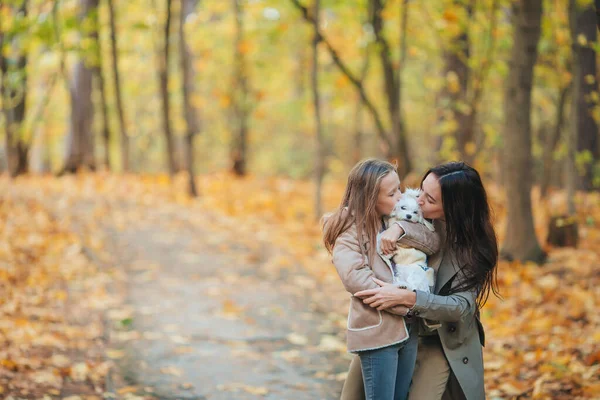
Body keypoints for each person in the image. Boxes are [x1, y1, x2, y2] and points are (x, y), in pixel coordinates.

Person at [341, 161, 500, 400]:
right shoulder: (408, 211)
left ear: (455, 208)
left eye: (431, 199)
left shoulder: (473, 247)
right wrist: (400, 229)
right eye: (422, 190)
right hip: (392, 327)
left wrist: (411, 299)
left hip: (440, 338)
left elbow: (461, 306)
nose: (418, 199)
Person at [323, 159, 440, 400]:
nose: (401, 196)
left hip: (408, 329)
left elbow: (432, 242)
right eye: (392, 192)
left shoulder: (394, 219)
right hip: (378, 331)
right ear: (369, 197)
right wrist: (405, 303)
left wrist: (400, 230)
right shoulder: (349, 228)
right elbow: (355, 278)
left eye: (399, 188)